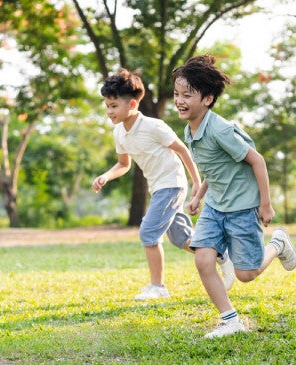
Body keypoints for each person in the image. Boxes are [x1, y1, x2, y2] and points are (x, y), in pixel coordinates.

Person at [172, 54, 296, 338]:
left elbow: (258, 161)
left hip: (243, 207)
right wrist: (199, 195)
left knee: (246, 274)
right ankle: (230, 320)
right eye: (177, 94)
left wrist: (265, 204)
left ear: (207, 98)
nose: (179, 100)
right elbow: (213, 168)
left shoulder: (221, 130)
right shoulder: (190, 129)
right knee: (203, 260)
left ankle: (277, 244)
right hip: (216, 206)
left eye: (187, 95)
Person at [92, 68, 235, 301]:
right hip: (157, 187)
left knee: (148, 232)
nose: (109, 111)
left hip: (172, 184)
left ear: (132, 104)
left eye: (114, 105)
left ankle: (158, 286)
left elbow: (183, 151)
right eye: (107, 105)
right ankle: (221, 254)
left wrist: (197, 186)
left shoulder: (154, 126)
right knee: (181, 238)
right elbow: (123, 164)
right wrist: (106, 176)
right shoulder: (119, 132)